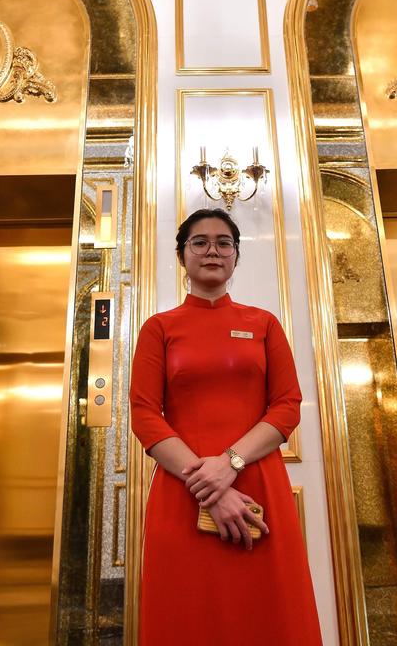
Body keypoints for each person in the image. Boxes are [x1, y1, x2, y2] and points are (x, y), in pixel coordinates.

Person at [130, 208, 323, 645]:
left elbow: (287, 405)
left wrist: (230, 463)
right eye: (199, 242)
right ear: (182, 256)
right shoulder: (159, 328)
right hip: (183, 489)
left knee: (268, 611)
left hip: (258, 484)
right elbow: (144, 413)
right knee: (188, 611)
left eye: (224, 242)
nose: (212, 250)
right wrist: (208, 483)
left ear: (236, 256)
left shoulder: (264, 324)